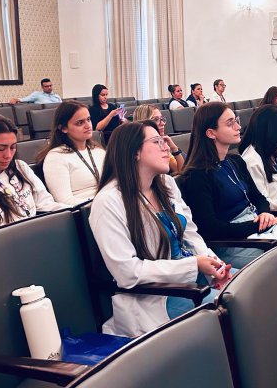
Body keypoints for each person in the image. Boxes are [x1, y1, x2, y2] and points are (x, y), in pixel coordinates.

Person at [89, 121, 231, 337]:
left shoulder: (166, 183)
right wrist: (193, 265)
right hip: (157, 296)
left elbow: (191, 235)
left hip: (193, 278)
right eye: (157, 142)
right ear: (134, 152)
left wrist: (216, 267)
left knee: (248, 289)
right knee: (235, 307)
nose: (167, 148)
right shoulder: (108, 201)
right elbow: (127, 272)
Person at [178, 102, 277, 267]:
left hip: (255, 227)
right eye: (230, 123)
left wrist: (265, 214)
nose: (238, 127)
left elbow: (259, 197)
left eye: (236, 121)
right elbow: (211, 229)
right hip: (233, 243)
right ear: (211, 133)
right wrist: (257, 226)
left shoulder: (235, 161)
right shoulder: (197, 176)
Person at [39, 101, 106, 205]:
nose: (88, 126)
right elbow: (65, 202)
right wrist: (101, 205)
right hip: (83, 211)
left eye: (88, 119)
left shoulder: (99, 151)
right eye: (80, 123)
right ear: (63, 128)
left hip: (107, 204)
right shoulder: (56, 157)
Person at [133, 104, 185, 173]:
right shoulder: (140, 147)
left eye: (161, 119)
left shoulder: (161, 142)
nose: (162, 123)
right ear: (144, 122)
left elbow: (180, 171)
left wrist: (174, 148)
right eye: (156, 119)